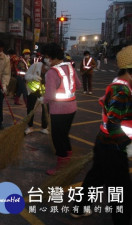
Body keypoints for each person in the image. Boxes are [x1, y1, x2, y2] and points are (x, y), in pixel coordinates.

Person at [71, 45, 132, 225]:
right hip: (114, 147)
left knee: (96, 178)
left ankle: (79, 207)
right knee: (121, 191)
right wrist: (126, 146)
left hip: (105, 144)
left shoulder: (121, 86)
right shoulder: (121, 91)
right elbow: (114, 123)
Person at [41, 43, 81, 175]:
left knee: (57, 138)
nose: (45, 59)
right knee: (64, 135)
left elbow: (50, 95)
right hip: (72, 108)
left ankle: (61, 167)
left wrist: (43, 100)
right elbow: (79, 85)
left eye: (46, 57)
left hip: (59, 110)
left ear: (52, 57)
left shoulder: (52, 72)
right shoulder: (70, 67)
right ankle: (67, 158)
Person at [24, 56, 49, 135]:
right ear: (43, 64)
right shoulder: (35, 66)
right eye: (45, 66)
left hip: (45, 92)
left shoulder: (51, 69)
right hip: (33, 91)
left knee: (46, 109)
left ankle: (44, 127)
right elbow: (26, 76)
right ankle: (30, 126)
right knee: (30, 108)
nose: (46, 69)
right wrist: (33, 77)